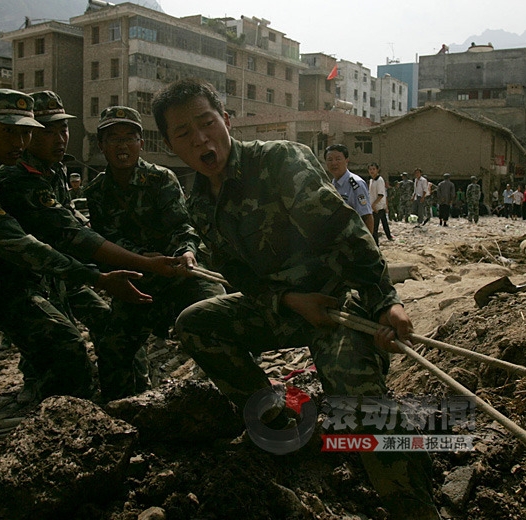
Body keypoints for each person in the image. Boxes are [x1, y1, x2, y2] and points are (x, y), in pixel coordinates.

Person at [151, 78, 440, 519]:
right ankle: (279, 427)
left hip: (339, 304)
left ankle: (413, 506)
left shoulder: (279, 160)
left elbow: (346, 235)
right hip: (286, 308)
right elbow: (242, 277)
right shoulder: (200, 204)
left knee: (355, 398)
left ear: (226, 121)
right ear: (172, 145)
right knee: (195, 322)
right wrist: (287, 300)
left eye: (207, 123)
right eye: (184, 134)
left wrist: (384, 301)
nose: (201, 139)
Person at [0, 89, 168, 459]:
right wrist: (100, 277)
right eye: (10, 132)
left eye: (26, 132)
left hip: (15, 268)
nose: (21, 142)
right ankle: (40, 446)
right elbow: (26, 245)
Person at [0, 91, 186, 405]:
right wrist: (133, 266)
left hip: (54, 270)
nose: (59, 138)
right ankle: (61, 406)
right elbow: (73, 236)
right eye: (48, 131)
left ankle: (129, 393)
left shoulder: (52, 169)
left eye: (63, 129)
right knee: (62, 341)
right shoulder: (19, 177)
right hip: (10, 276)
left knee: (106, 322)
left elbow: (76, 223)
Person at [85, 106, 225, 400]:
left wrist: (186, 252)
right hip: (136, 281)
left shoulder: (162, 179)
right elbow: (108, 241)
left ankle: (239, 398)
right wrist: (147, 262)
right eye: (113, 138)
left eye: (129, 138)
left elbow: (181, 226)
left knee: (220, 316)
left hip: (179, 273)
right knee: (113, 346)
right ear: (101, 146)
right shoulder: (96, 191)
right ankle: (122, 410)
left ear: (141, 144)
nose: (122, 146)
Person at [325, 144, 374, 234]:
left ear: (347, 160)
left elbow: (366, 216)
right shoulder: (331, 185)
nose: (334, 163)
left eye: (338, 159)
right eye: (330, 159)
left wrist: (367, 244)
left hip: (353, 237)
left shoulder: (356, 184)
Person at [367, 162, 393, 245]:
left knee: (374, 228)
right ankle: (389, 236)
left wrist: (374, 205)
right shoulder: (371, 181)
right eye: (370, 169)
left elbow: (381, 195)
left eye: (374, 169)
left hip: (377, 207)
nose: (372, 171)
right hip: (374, 207)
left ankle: (376, 245)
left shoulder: (379, 180)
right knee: (384, 222)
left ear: (377, 170)